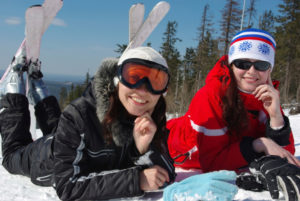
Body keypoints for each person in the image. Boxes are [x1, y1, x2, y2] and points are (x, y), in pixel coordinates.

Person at [0, 46, 176, 200]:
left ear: (163, 91)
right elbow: (67, 187)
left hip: (68, 141)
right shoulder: (80, 115)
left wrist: (143, 150)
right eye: (133, 76)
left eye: (155, 81)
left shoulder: (151, 119)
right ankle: (14, 87)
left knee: (57, 127)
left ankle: (37, 82)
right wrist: (135, 180)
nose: (143, 89)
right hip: (46, 159)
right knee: (11, 156)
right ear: (117, 79)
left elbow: (165, 174)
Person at [167, 28, 300, 173]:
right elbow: (212, 164)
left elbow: (285, 155)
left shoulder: (267, 96)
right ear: (231, 65)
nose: (252, 71)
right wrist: (258, 144)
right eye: (243, 64)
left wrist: (276, 118)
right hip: (167, 143)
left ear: (269, 70)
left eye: (261, 65)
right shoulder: (210, 95)